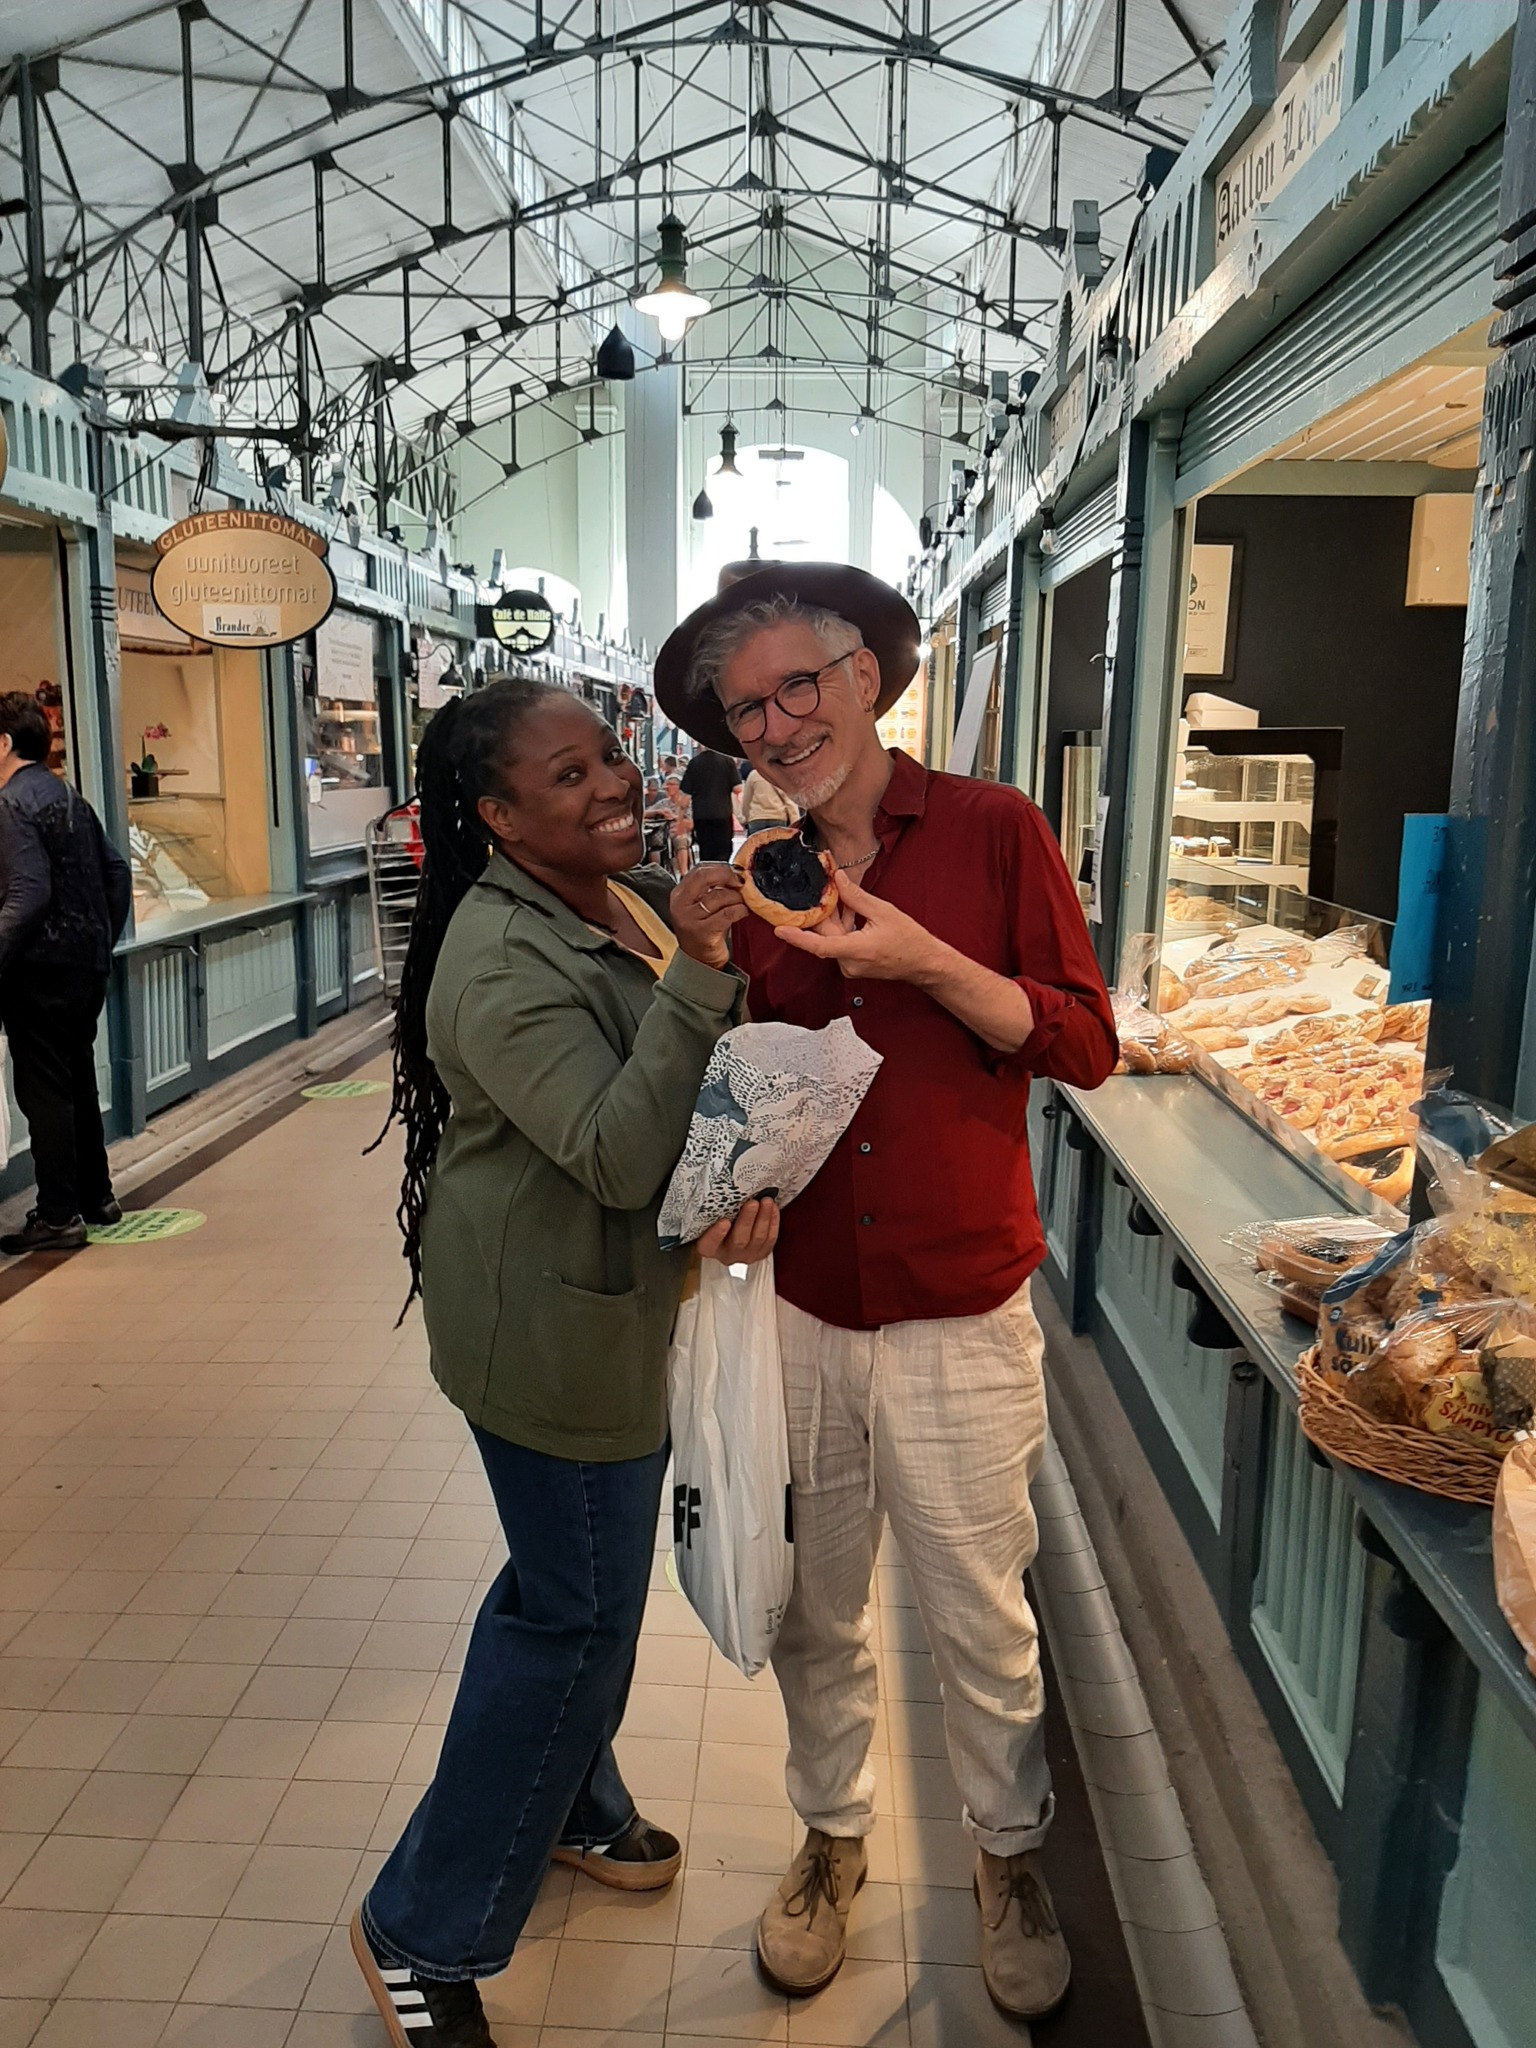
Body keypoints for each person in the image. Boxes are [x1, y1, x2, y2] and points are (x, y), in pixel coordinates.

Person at [654, 566, 1118, 2021]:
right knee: (815, 1604)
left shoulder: (992, 829)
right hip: (801, 1300)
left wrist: (924, 960)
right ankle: (831, 1835)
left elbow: (1085, 1043)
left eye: (798, 685)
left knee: (981, 1607)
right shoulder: (760, 880)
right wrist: (707, 978)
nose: (777, 724)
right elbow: (753, 1083)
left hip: (959, 1302)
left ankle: (1008, 1854)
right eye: (747, 709)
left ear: (866, 679)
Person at [351, 676, 777, 2048]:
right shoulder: (496, 961)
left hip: (610, 1299)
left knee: (568, 1587)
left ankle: (576, 1805)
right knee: (574, 1617)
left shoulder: (623, 895)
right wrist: (701, 974)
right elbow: (610, 1149)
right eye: (568, 776)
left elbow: (685, 1068)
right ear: (495, 814)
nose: (611, 785)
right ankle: (420, 1926)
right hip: (547, 1325)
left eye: (608, 757)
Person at [0, 691, 131, 1256]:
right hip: (85, 968)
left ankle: (57, 1216)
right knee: (77, 1078)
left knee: (45, 1091)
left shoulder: (10, 804)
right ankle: (96, 1196)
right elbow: (117, 872)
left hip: (39, 970)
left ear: (4, 743)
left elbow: (27, 895)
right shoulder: (70, 797)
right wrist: (98, 938)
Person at [679, 744, 740, 862]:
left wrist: (680, 820)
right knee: (723, 850)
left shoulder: (694, 762)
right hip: (722, 814)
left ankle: (708, 872)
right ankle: (722, 871)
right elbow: (737, 789)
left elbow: (685, 797)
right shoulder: (727, 761)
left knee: (706, 851)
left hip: (701, 816)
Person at [740, 760, 801, 836]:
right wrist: (794, 820)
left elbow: (747, 800)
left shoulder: (753, 775)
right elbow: (788, 800)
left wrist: (746, 817)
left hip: (757, 818)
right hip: (777, 817)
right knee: (777, 843)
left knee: (757, 842)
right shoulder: (778, 775)